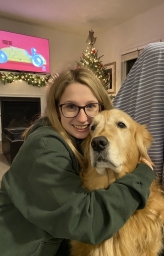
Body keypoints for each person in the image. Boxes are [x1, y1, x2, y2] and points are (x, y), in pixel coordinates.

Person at [0, 67, 155, 256]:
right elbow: (88, 221)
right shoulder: (44, 149)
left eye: (90, 106)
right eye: (71, 106)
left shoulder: (81, 139)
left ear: (101, 107)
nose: (82, 118)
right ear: (57, 109)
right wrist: (144, 173)